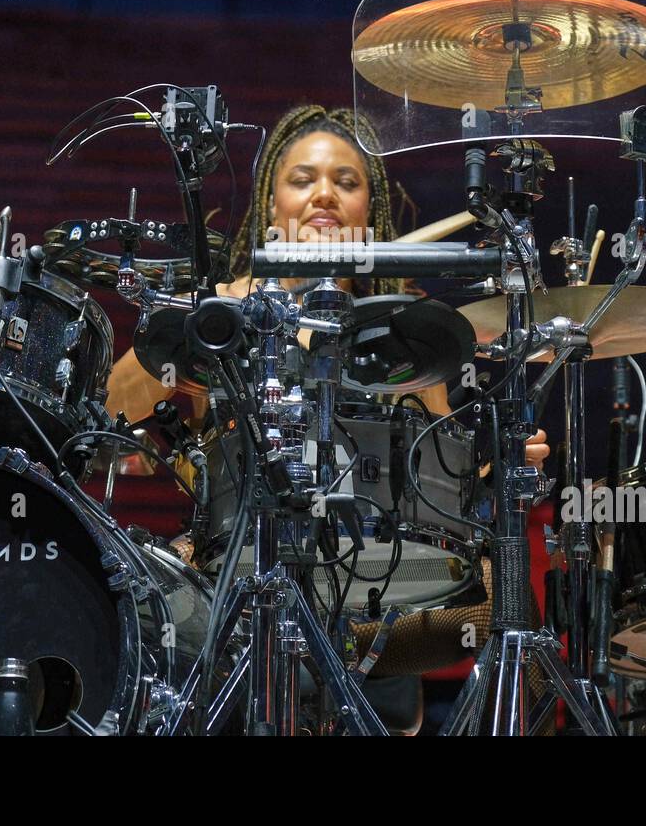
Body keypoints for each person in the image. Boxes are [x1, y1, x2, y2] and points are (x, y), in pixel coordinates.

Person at [104, 103, 550, 696]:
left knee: (512, 607)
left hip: (379, 569)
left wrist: (504, 467)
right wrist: (208, 314)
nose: (324, 196)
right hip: (235, 553)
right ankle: (307, 656)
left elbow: (445, 480)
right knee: (125, 603)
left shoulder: (409, 331)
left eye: (346, 182)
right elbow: (107, 409)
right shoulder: (221, 312)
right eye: (302, 179)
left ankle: (310, 654)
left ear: (370, 212)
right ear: (271, 204)